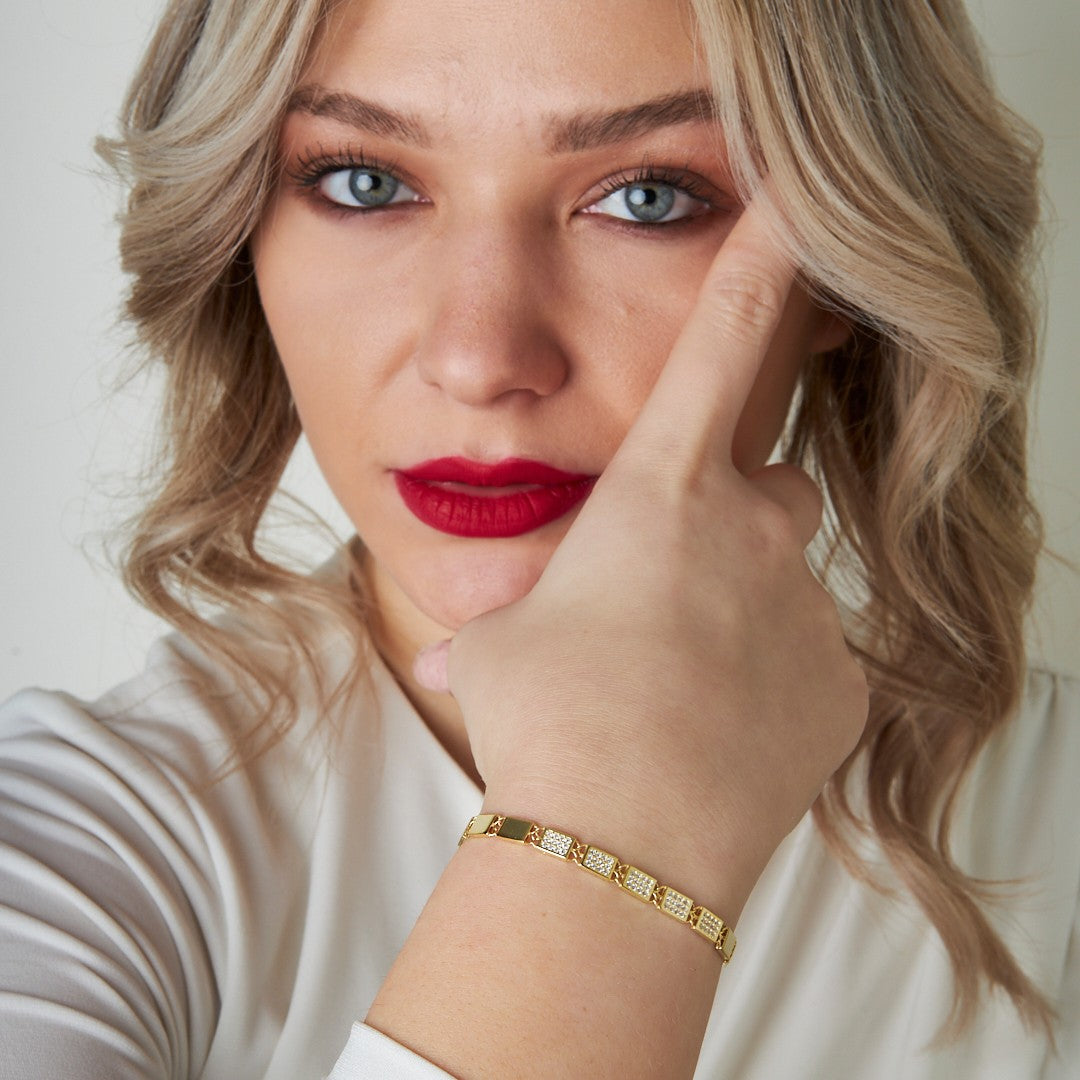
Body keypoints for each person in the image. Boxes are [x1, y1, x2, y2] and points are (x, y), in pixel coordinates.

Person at [0, 0, 1075, 1076]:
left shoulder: (1053, 828)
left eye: (648, 199)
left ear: (843, 261)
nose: (479, 356)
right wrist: (613, 827)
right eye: (363, 183)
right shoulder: (70, 861)